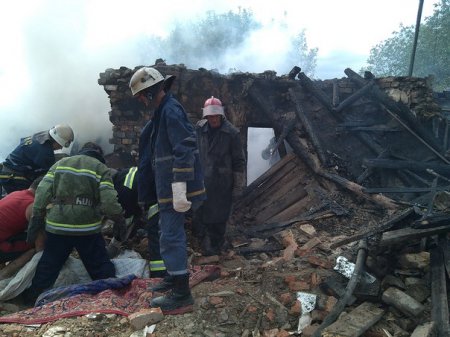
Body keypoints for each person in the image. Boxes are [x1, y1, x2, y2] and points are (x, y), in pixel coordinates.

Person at [129, 66, 206, 311]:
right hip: (166, 186)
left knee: (171, 235)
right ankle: (175, 275)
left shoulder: (170, 110)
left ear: (151, 91)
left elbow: (185, 146)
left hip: (174, 186)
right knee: (167, 233)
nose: (141, 101)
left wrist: (181, 185)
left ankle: (182, 294)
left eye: (141, 95)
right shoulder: (161, 112)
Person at [22, 142, 127, 305]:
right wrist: (119, 220)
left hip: (57, 226)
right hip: (87, 229)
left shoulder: (59, 164)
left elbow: (42, 193)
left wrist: (35, 221)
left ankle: (32, 299)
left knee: (49, 264)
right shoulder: (99, 167)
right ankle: (112, 295)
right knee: (99, 264)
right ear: (98, 155)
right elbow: (109, 202)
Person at [194, 96, 246, 255]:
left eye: (216, 116)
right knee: (200, 212)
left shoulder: (232, 133)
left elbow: (239, 162)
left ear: (221, 115)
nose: (213, 119)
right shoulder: (199, 129)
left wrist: (238, 187)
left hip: (222, 183)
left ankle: (216, 246)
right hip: (202, 180)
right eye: (210, 116)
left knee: (219, 216)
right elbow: (194, 151)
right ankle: (203, 241)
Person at [110, 166, 167, 278]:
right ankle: (173, 269)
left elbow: (124, 220)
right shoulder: (126, 173)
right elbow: (135, 216)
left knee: (155, 235)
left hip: (157, 200)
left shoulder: (121, 189)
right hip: (165, 194)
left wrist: (115, 243)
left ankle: (159, 274)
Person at [0, 124, 74, 195]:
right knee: (25, 202)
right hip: (15, 178)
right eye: (61, 145)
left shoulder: (40, 136)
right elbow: (48, 174)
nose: (61, 148)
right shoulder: (45, 151)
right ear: (58, 141)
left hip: (7, 173)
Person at [0, 176, 45, 263]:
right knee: (35, 244)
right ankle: (4, 274)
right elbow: (40, 246)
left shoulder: (16, 194)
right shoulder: (32, 206)